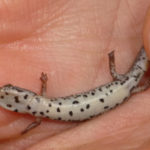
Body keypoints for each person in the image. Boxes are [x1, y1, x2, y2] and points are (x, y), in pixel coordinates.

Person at [0, 0, 150, 149]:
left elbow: (36, 121)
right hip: (114, 97)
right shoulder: (126, 85)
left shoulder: (39, 113)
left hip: (112, 98)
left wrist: (27, 129)